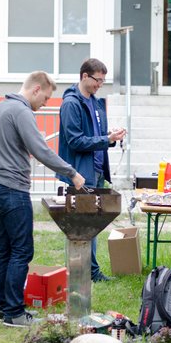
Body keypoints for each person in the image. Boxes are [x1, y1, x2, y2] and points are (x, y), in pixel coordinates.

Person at [0, 71, 85, 327]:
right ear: (36, 89)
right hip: (12, 190)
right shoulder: (21, 111)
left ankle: (5, 309)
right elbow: (40, 149)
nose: (46, 104)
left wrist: (11, 148)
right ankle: (15, 313)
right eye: (47, 98)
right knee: (21, 250)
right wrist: (72, 173)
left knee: (4, 249)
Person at [57, 58, 126, 283]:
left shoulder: (96, 103)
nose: (100, 84)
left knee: (93, 223)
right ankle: (86, 272)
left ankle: (90, 270)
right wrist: (106, 139)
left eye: (103, 81)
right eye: (98, 80)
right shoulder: (71, 103)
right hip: (80, 173)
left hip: (96, 171)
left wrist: (111, 138)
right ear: (84, 76)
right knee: (83, 226)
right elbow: (76, 141)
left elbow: (98, 136)